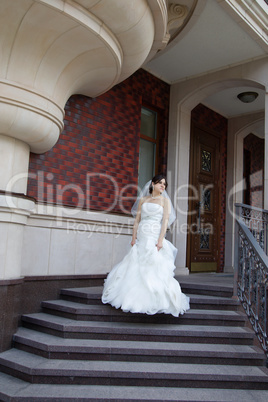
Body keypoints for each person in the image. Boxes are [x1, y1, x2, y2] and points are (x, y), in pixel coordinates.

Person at [101, 174, 190, 317]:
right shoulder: (143, 200)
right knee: (135, 262)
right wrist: (133, 236)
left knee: (152, 264)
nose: (163, 186)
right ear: (153, 184)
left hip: (154, 234)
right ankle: (130, 294)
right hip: (142, 233)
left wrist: (161, 240)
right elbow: (137, 220)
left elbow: (165, 221)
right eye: (160, 183)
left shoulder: (165, 201)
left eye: (164, 184)